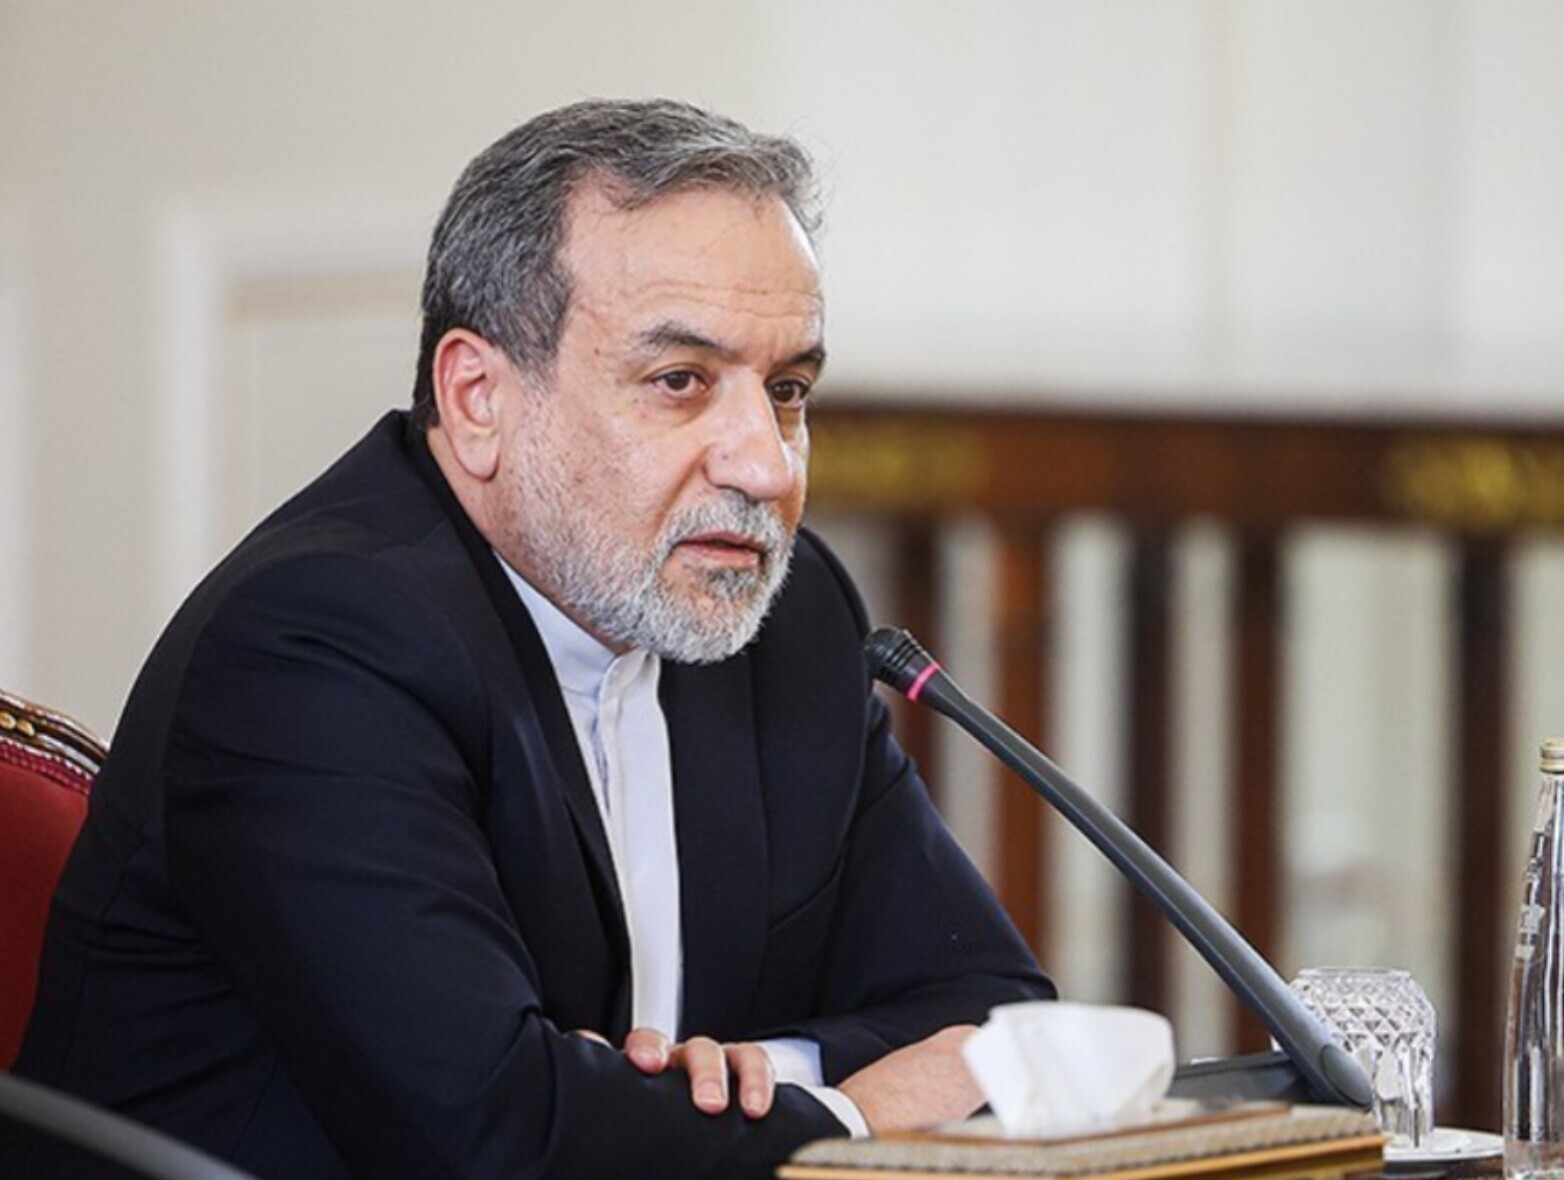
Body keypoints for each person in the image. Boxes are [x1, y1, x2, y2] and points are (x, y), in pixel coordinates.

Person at [6, 99, 1052, 1179]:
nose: (766, 465)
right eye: (680, 382)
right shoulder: (315, 648)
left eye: (787, 391)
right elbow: (495, 1140)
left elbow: (992, 1017)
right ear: (478, 400)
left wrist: (756, 1080)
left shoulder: (779, 615)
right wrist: (846, 1117)